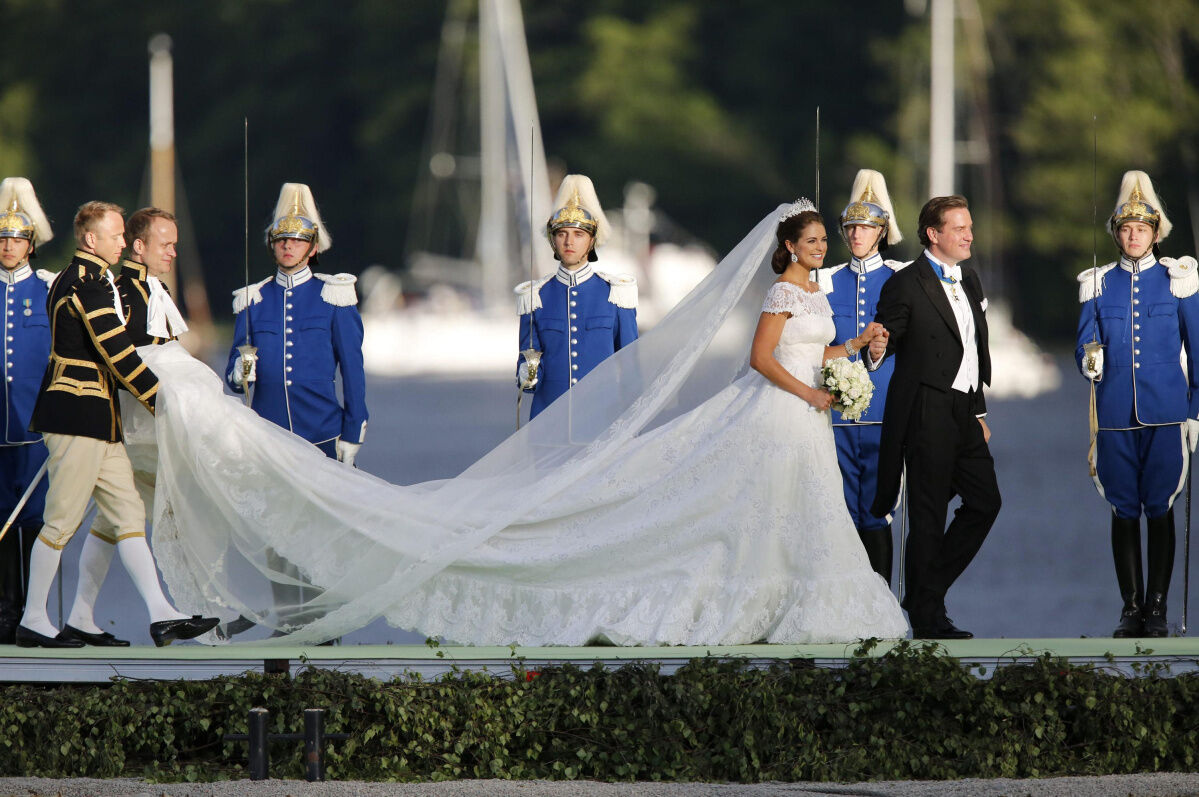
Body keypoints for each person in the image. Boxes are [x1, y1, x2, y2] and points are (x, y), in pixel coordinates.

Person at [133, 199, 907, 647]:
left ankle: (787, 601)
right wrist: (816, 390)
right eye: (809, 240)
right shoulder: (537, 294)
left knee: (789, 517)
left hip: (639, 427)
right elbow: (763, 357)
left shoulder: (631, 289)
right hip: (566, 425)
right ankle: (299, 613)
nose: (290, 246)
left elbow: (630, 364)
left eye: (299, 238)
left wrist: (852, 354)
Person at [16, 201, 216, 648]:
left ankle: (160, 615)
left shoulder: (94, 281)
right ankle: (33, 618)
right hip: (75, 415)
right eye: (116, 236)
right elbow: (117, 353)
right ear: (91, 239)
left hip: (99, 420)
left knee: (127, 515)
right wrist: (161, 399)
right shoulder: (85, 284)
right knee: (61, 522)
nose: (124, 243)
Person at [224, 183, 366, 637]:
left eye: (297, 240)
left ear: (312, 247)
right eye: (281, 240)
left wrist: (352, 431)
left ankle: (325, 624)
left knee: (321, 534)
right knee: (277, 536)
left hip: (321, 433)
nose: (288, 246)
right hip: (268, 436)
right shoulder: (253, 299)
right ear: (273, 245)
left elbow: (354, 370)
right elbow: (232, 370)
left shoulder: (334, 296)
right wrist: (240, 372)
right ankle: (288, 620)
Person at [867, 195, 1000, 640]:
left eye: (969, 227)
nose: (969, 235)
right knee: (927, 515)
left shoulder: (971, 279)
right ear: (933, 234)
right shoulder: (906, 283)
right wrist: (877, 347)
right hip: (926, 409)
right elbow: (885, 336)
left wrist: (978, 409)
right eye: (959, 228)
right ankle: (928, 617)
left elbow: (975, 348)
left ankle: (925, 592)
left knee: (986, 502)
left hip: (964, 410)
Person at [1076, 170, 1199, 638]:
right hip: (1115, 416)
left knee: (1161, 507)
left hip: (1167, 414)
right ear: (1116, 233)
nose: (1132, 236)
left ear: (1155, 233)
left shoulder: (1178, 281)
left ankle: (1158, 608)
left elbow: (1198, 350)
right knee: (1123, 509)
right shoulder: (1097, 284)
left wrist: (1194, 410)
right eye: (1126, 229)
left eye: (1141, 229)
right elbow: (1084, 342)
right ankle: (1130, 608)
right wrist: (1088, 358)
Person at [63, 207, 189, 645]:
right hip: (138, 425)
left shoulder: (154, 287)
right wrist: (162, 401)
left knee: (116, 520)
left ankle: (83, 613)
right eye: (166, 244)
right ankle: (197, 608)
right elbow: (121, 358)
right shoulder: (119, 291)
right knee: (113, 517)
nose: (174, 252)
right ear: (139, 245)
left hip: (151, 427)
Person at [817, 169, 907, 584]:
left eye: (866, 227)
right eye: (851, 226)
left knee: (877, 511)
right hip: (833, 414)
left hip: (885, 409)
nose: (856, 234)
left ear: (881, 230)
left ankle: (882, 604)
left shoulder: (900, 278)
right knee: (838, 509)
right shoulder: (825, 280)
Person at [516, 175, 638, 419]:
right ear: (553, 240)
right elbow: (529, 374)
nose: (569, 241)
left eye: (578, 234)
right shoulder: (535, 297)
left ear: (591, 241)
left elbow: (631, 369)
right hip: (548, 426)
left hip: (602, 424)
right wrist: (527, 374)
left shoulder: (616, 294)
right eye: (562, 234)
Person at [0, 178, 54, 644]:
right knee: (1, 520)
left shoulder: (50, 290)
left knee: (37, 520)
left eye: (17, 238)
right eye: (2, 238)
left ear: (30, 244)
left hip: (37, 429)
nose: (9, 245)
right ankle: (6, 612)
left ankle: (34, 616)